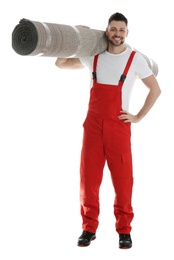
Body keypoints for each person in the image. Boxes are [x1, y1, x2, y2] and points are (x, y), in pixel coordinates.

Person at [55, 12, 161, 249]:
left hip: (119, 127)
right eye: (113, 29)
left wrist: (138, 116)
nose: (117, 34)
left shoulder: (135, 59)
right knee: (88, 179)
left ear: (127, 32)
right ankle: (88, 228)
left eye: (121, 30)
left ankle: (124, 231)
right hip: (92, 127)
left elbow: (155, 89)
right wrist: (74, 36)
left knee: (123, 181)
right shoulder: (92, 56)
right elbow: (60, 63)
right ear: (106, 30)